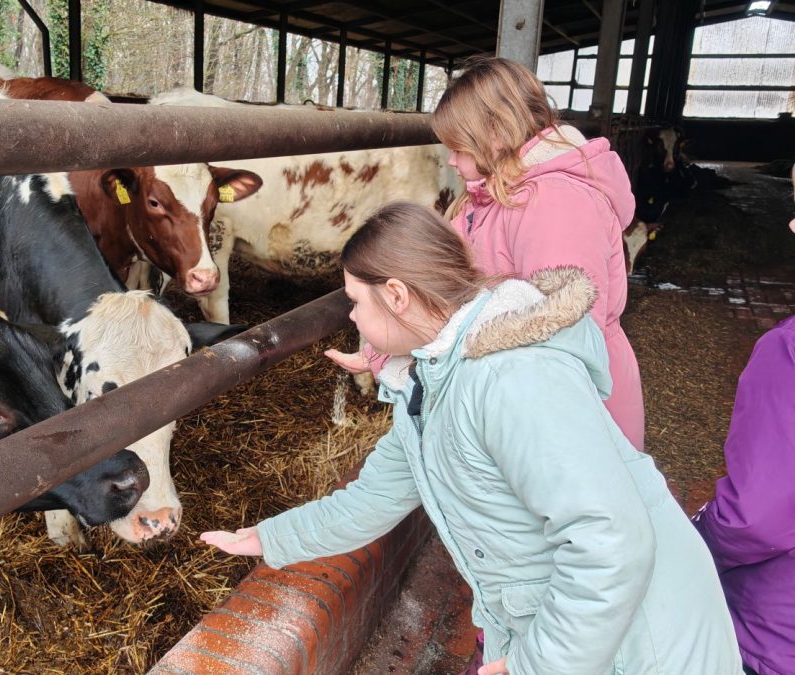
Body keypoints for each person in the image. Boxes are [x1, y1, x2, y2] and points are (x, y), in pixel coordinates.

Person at [204, 202, 740, 675]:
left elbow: (612, 541)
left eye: (355, 301)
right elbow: (373, 497)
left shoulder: (511, 379)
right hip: (586, 630)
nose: (350, 316)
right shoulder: (434, 380)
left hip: (640, 645)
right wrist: (269, 539)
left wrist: (540, 665)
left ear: (396, 295)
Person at [328, 56, 645, 452]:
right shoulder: (484, 196)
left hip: (569, 420)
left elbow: (567, 339)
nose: (451, 160)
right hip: (505, 401)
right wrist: (382, 350)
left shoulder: (556, 204)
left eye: (458, 146)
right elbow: (445, 296)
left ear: (494, 132)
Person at [691, 168, 795, 675]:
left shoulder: (788, 352)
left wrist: (695, 541)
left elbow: (756, 516)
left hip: (775, 632)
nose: (793, 224)